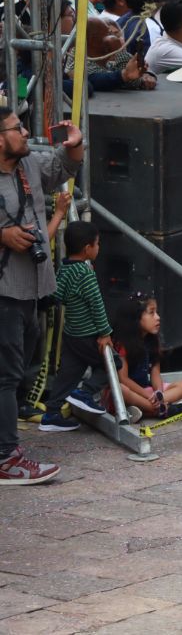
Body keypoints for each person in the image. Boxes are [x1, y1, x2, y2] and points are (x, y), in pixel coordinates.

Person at [0, 109, 82, 485]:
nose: (24, 133)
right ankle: (6, 458)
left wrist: (75, 146)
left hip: (32, 286)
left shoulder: (28, 165)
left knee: (17, 371)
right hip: (4, 288)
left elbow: (62, 167)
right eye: (17, 128)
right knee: (6, 372)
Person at [36, 221, 116, 432]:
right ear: (87, 248)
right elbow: (97, 306)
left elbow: (56, 295)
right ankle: (85, 393)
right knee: (113, 364)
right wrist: (105, 333)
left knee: (68, 374)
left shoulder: (65, 269)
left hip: (71, 334)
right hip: (87, 335)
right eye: (97, 244)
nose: (99, 248)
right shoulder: (86, 274)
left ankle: (51, 414)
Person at [112, 296, 182, 420]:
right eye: (151, 313)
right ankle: (161, 410)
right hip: (131, 392)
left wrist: (158, 393)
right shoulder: (123, 344)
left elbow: (155, 373)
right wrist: (147, 395)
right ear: (136, 318)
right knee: (121, 389)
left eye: (157, 312)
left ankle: (147, 409)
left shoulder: (152, 340)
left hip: (147, 391)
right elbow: (123, 379)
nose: (158, 317)